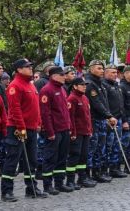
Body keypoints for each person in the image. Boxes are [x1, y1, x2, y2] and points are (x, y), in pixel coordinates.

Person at [1, 59, 48, 202]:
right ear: (19, 70)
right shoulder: (15, 85)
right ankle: (7, 191)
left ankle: (31, 188)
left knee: (32, 160)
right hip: (17, 128)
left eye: (31, 67)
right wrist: (21, 128)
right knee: (12, 160)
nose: (30, 69)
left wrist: (38, 123)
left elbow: (35, 107)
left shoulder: (31, 85)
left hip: (31, 128)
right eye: (27, 67)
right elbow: (15, 109)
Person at [39, 66, 73, 195]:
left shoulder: (62, 89)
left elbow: (65, 111)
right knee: (50, 158)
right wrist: (50, 132)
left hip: (64, 129)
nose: (65, 77)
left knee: (62, 158)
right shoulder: (46, 90)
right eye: (62, 75)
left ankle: (59, 183)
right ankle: (47, 185)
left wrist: (68, 127)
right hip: (54, 131)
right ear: (54, 76)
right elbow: (45, 114)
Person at [85, 60, 117, 183]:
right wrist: (108, 115)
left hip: (102, 120)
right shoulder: (89, 84)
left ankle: (97, 172)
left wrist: (107, 116)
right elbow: (96, 103)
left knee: (100, 148)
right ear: (91, 69)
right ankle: (87, 174)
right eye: (98, 68)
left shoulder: (100, 83)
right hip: (94, 120)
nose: (101, 71)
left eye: (102, 69)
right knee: (92, 148)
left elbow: (105, 103)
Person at [66, 77, 96, 189]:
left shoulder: (85, 98)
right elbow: (71, 118)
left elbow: (88, 116)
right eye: (82, 84)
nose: (85, 86)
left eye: (85, 85)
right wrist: (72, 132)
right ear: (74, 86)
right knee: (74, 155)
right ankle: (70, 180)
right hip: (77, 133)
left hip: (85, 132)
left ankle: (82, 178)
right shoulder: (72, 99)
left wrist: (90, 130)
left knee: (83, 156)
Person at [102, 64, 127, 179]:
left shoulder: (117, 85)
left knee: (117, 145)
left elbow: (122, 104)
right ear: (105, 73)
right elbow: (104, 104)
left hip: (119, 119)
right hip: (110, 120)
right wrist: (109, 117)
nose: (114, 74)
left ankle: (115, 167)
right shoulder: (104, 85)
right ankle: (105, 169)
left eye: (115, 72)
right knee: (108, 146)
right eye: (111, 72)